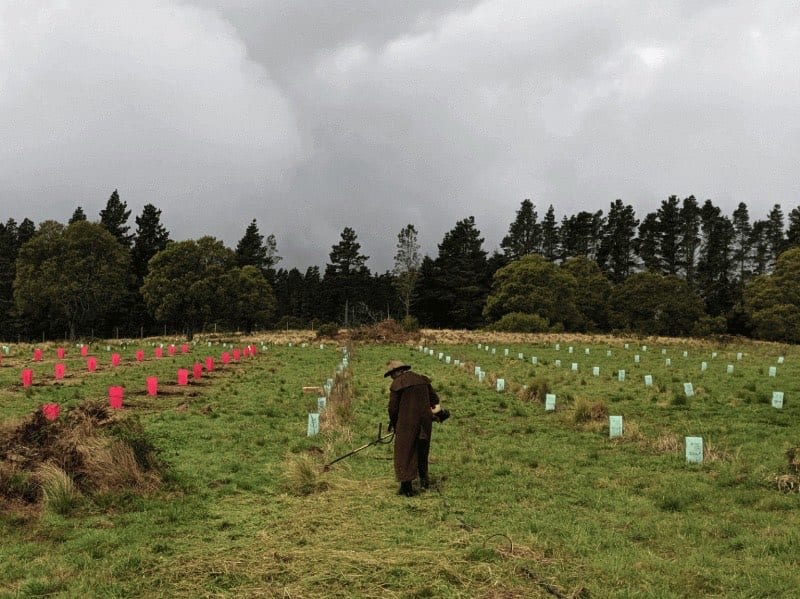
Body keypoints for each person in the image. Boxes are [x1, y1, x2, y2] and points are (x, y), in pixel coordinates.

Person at [384, 360, 440, 497]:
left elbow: (393, 408)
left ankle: (407, 488)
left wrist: (394, 423)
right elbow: (434, 399)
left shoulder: (397, 384)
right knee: (422, 450)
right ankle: (424, 482)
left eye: (392, 374)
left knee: (405, 453)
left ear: (398, 371)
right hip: (425, 423)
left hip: (406, 424)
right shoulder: (422, 379)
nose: (392, 377)